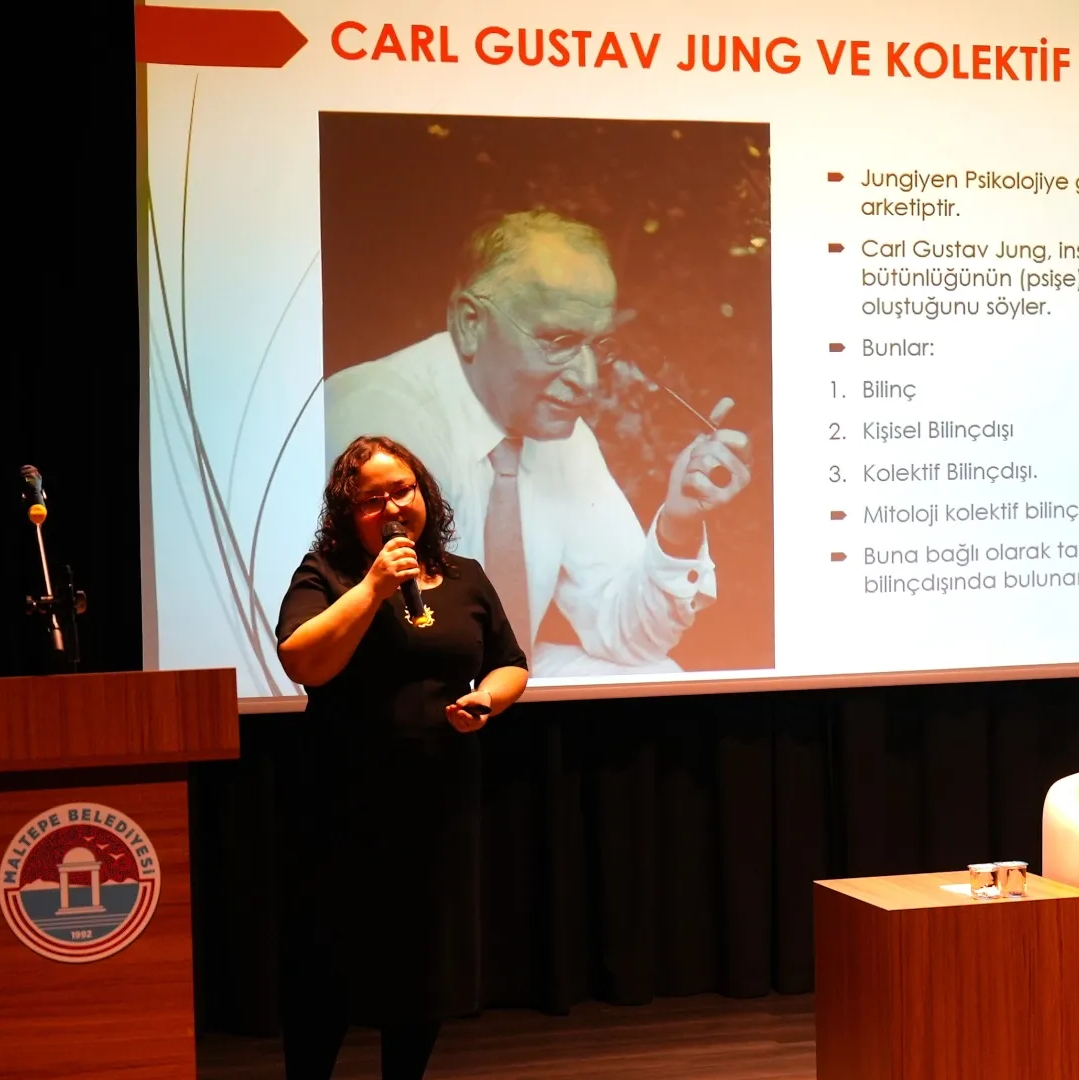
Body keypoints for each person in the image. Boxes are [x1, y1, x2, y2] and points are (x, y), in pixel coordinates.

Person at [324, 210, 752, 679]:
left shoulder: (560, 436)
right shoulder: (382, 420)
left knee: (660, 676)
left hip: (495, 678)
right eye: (559, 340)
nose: (588, 380)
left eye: (598, 346)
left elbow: (627, 633)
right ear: (470, 323)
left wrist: (679, 523)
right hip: (392, 694)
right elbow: (391, 644)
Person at [273, 434, 529, 1080]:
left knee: (423, 972)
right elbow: (302, 661)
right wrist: (374, 586)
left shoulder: (466, 577)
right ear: (346, 513)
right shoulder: (326, 574)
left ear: (425, 495)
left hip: (439, 808)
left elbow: (510, 663)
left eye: (403, 491)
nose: (392, 507)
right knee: (328, 969)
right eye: (371, 499)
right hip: (343, 810)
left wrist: (487, 701)